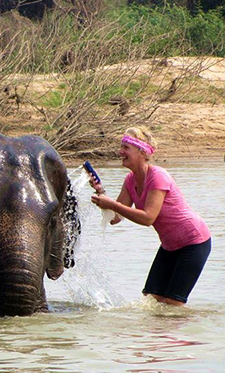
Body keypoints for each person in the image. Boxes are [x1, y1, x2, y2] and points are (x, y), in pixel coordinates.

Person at [89, 126, 211, 306]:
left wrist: (112, 204)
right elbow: (115, 218)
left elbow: (148, 218)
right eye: (121, 147)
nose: (120, 151)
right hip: (170, 246)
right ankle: (157, 335)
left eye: (125, 148)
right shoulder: (130, 180)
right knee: (151, 301)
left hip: (194, 242)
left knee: (173, 304)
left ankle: (181, 334)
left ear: (142, 152)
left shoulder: (158, 176)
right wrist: (100, 192)